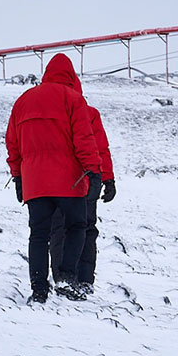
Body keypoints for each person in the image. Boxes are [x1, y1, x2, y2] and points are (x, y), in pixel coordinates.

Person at [5, 53, 101, 303]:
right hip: (69, 181)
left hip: (35, 182)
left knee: (38, 234)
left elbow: (13, 144)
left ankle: (39, 288)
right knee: (77, 227)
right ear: (70, 76)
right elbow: (84, 140)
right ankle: (66, 277)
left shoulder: (23, 100)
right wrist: (94, 171)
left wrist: (18, 177)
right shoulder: (73, 99)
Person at [49, 101, 116, 291]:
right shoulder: (89, 112)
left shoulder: (46, 110)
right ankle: (85, 279)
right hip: (86, 180)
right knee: (86, 228)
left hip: (54, 182)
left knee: (59, 228)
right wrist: (108, 178)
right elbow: (100, 148)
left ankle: (61, 277)